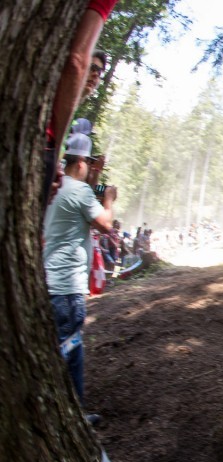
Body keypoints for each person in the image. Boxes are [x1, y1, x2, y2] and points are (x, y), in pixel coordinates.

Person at [43, 133, 117, 423]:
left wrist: (95, 173)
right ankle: (68, 414)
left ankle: (66, 410)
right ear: (82, 162)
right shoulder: (81, 192)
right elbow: (106, 224)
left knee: (67, 346)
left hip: (48, 281)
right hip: (67, 285)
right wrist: (108, 199)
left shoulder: (55, 187)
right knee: (69, 349)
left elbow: (81, 198)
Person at [45, 0, 116, 207]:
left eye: (99, 72)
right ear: (79, 162)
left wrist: (96, 173)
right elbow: (102, 221)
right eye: (91, 67)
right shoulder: (74, 190)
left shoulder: (74, 188)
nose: (95, 75)